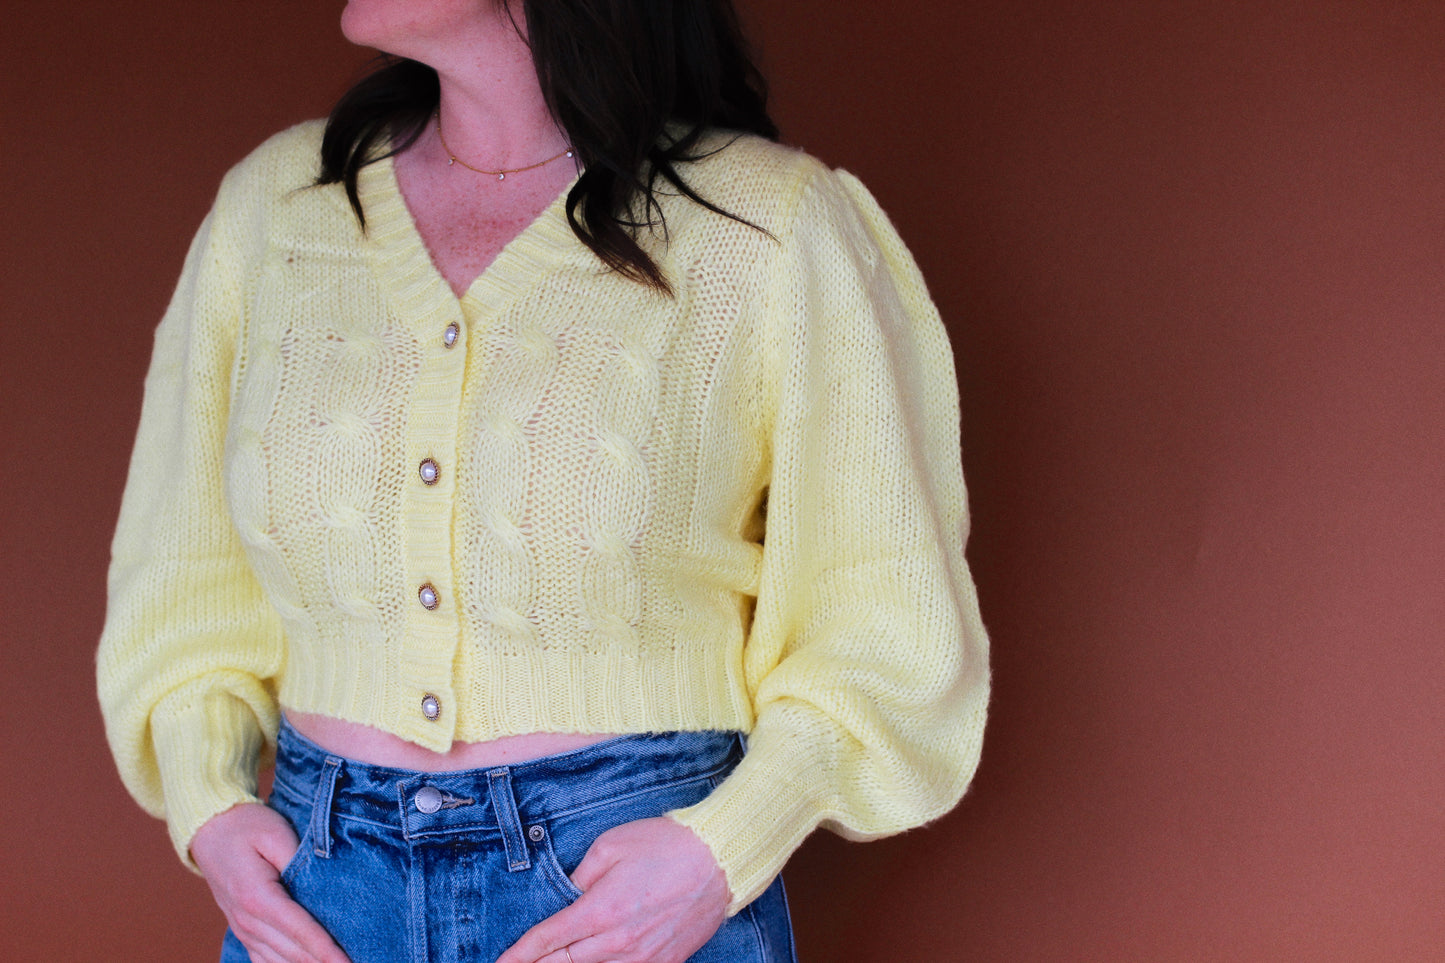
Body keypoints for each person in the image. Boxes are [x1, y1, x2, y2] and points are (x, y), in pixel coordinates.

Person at [96, 1, 991, 960]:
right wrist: (209, 807)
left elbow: (882, 620)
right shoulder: (278, 207)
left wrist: (722, 853)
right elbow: (181, 570)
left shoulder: (769, 229)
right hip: (321, 892)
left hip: (621, 887)